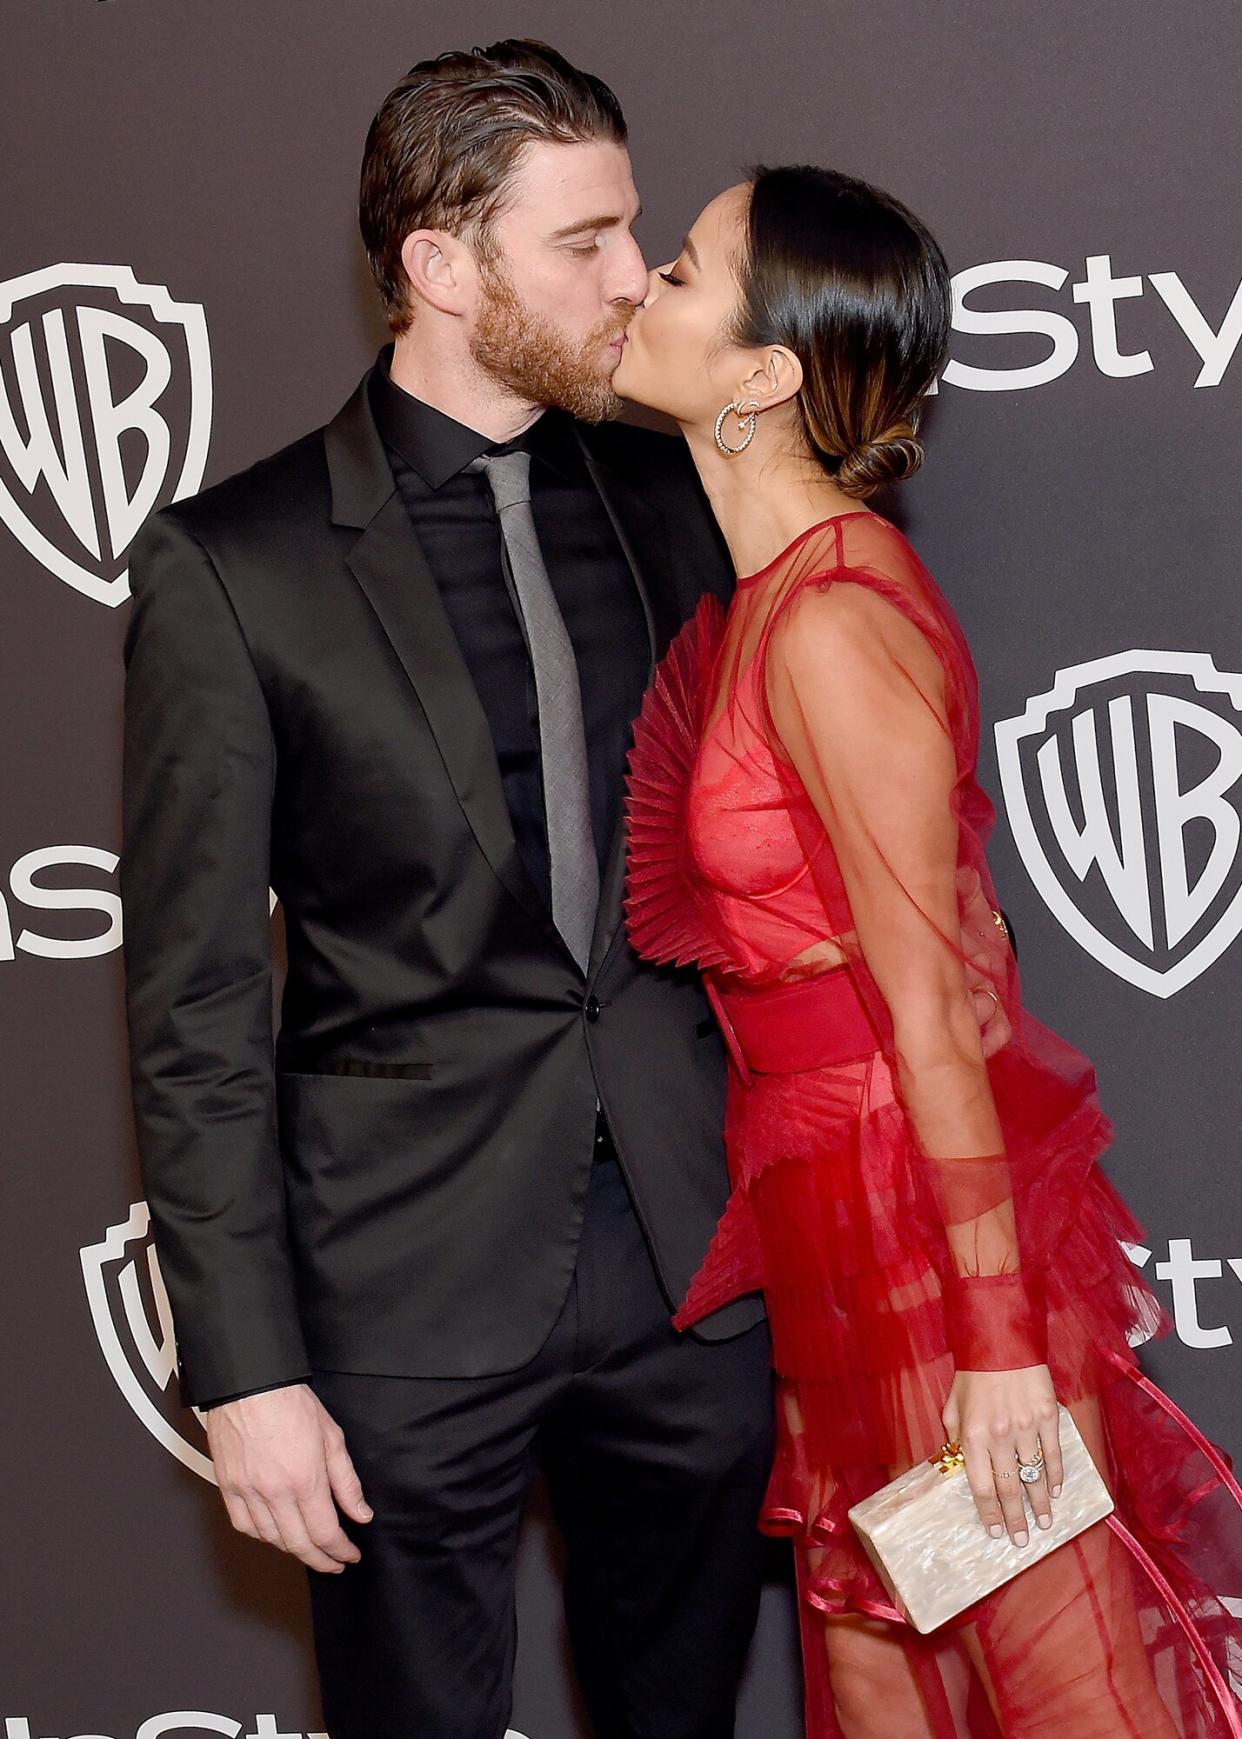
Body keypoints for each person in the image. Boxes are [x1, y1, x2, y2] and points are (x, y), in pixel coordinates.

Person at [121, 40, 1006, 1737]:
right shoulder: (237, 567)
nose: (628, 278)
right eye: (583, 242)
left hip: (701, 1271)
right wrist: (244, 1370)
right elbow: (195, 1007)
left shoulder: (700, 495)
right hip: (402, 1286)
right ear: (441, 268)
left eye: (637, 235)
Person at [615, 165, 1242, 1736]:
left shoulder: (830, 622)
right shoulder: (772, 601)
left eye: (681, 271)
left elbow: (938, 1008)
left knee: (1063, 1692)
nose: (640, 287)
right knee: (882, 1680)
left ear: (761, 376)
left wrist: (998, 1347)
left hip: (919, 1242)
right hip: (836, 1233)